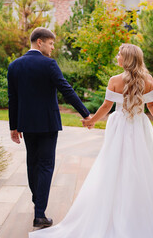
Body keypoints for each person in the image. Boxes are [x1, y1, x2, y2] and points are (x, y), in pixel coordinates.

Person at [28, 44, 153, 237]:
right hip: (140, 126)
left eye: (119, 54)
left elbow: (106, 106)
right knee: (141, 165)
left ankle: (119, 204)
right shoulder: (148, 80)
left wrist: (91, 121)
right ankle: (138, 207)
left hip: (120, 126)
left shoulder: (115, 80)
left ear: (127, 59)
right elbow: (152, 106)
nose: (117, 56)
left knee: (115, 164)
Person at [7, 27, 91, 228]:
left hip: (26, 124)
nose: (53, 48)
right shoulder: (49, 64)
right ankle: (40, 214)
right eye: (51, 43)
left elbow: (13, 99)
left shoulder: (14, 66)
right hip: (47, 124)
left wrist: (13, 127)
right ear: (39, 42)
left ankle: (38, 203)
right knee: (45, 165)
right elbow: (67, 90)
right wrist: (86, 114)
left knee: (32, 164)